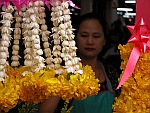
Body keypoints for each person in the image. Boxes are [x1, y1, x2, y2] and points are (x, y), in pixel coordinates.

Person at [38, 12, 120, 113]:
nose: (90, 41)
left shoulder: (110, 71)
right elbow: (45, 110)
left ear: (104, 40)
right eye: (84, 35)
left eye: (96, 36)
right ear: (75, 38)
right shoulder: (63, 72)